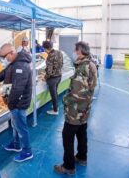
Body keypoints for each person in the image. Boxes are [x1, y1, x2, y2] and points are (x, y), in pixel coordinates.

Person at [0, 43, 33, 162]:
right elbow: (4, 73)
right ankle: (16, 144)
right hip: (13, 102)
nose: (4, 60)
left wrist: (10, 104)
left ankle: (27, 151)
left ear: (12, 52)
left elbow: (17, 89)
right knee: (15, 125)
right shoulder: (13, 64)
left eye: (5, 57)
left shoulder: (21, 66)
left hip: (18, 103)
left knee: (21, 127)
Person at [54, 41, 97, 175]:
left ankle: (68, 166)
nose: (74, 52)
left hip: (76, 110)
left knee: (67, 135)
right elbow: (91, 87)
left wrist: (65, 99)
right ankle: (82, 157)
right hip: (85, 108)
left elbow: (77, 93)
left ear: (79, 51)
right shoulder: (91, 64)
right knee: (82, 132)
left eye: (75, 50)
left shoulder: (82, 68)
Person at [42, 41, 63, 115]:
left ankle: (55, 110)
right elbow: (61, 64)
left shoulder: (49, 56)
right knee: (55, 92)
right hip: (59, 76)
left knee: (53, 95)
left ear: (45, 48)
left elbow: (49, 71)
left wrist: (45, 77)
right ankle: (55, 106)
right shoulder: (59, 52)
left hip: (52, 79)